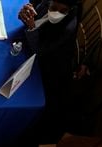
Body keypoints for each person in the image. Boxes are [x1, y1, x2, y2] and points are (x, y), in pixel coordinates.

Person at [17, 1, 80, 139]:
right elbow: (29, 11)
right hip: (34, 42)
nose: (56, 12)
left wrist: (31, 27)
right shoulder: (44, 2)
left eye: (62, 11)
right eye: (53, 8)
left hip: (49, 67)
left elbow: (40, 51)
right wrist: (25, 13)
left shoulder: (67, 28)